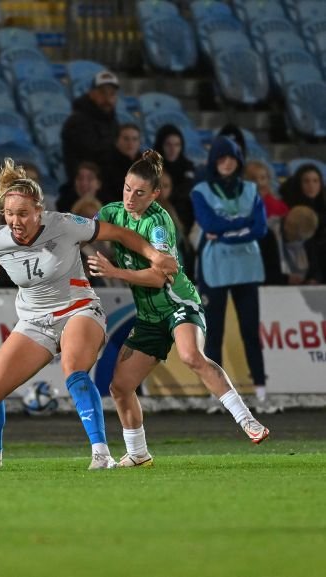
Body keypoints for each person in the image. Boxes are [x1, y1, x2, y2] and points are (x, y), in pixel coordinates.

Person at [0, 157, 178, 470]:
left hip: (79, 310)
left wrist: (153, 255)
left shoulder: (64, 224)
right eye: (10, 214)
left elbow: (119, 233)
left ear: (39, 211)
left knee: (73, 372)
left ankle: (101, 453)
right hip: (34, 321)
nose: (15, 221)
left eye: (23, 214)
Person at [86, 150, 270, 467]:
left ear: (155, 194)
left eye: (140, 192)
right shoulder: (112, 212)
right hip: (149, 316)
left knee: (191, 356)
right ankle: (138, 454)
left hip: (177, 303)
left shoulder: (158, 225)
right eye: (128, 188)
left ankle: (247, 421)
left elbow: (159, 278)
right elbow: (83, 230)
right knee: (120, 386)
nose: (131, 197)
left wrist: (115, 272)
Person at [191, 136, 270, 410]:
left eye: (231, 159)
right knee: (214, 334)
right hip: (215, 269)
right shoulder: (200, 190)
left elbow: (260, 228)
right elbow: (207, 222)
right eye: (221, 158)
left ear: (238, 161)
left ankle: (262, 393)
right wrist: (242, 226)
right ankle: (219, 397)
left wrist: (224, 234)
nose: (226, 163)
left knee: (250, 331)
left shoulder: (250, 189)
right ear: (214, 161)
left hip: (246, 267)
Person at [61, 69, 119, 193]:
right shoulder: (77, 121)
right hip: (83, 189)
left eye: (112, 94)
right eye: (103, 93)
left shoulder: (112, 120)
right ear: (92, 94)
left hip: (105, 186)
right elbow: (95, 153)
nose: (107, 98)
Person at [101, 123, 142, 204]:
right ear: (117, 141)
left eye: (134, 139)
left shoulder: (146, 164)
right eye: (126, 139)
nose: (130, 143)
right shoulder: (107, 164)